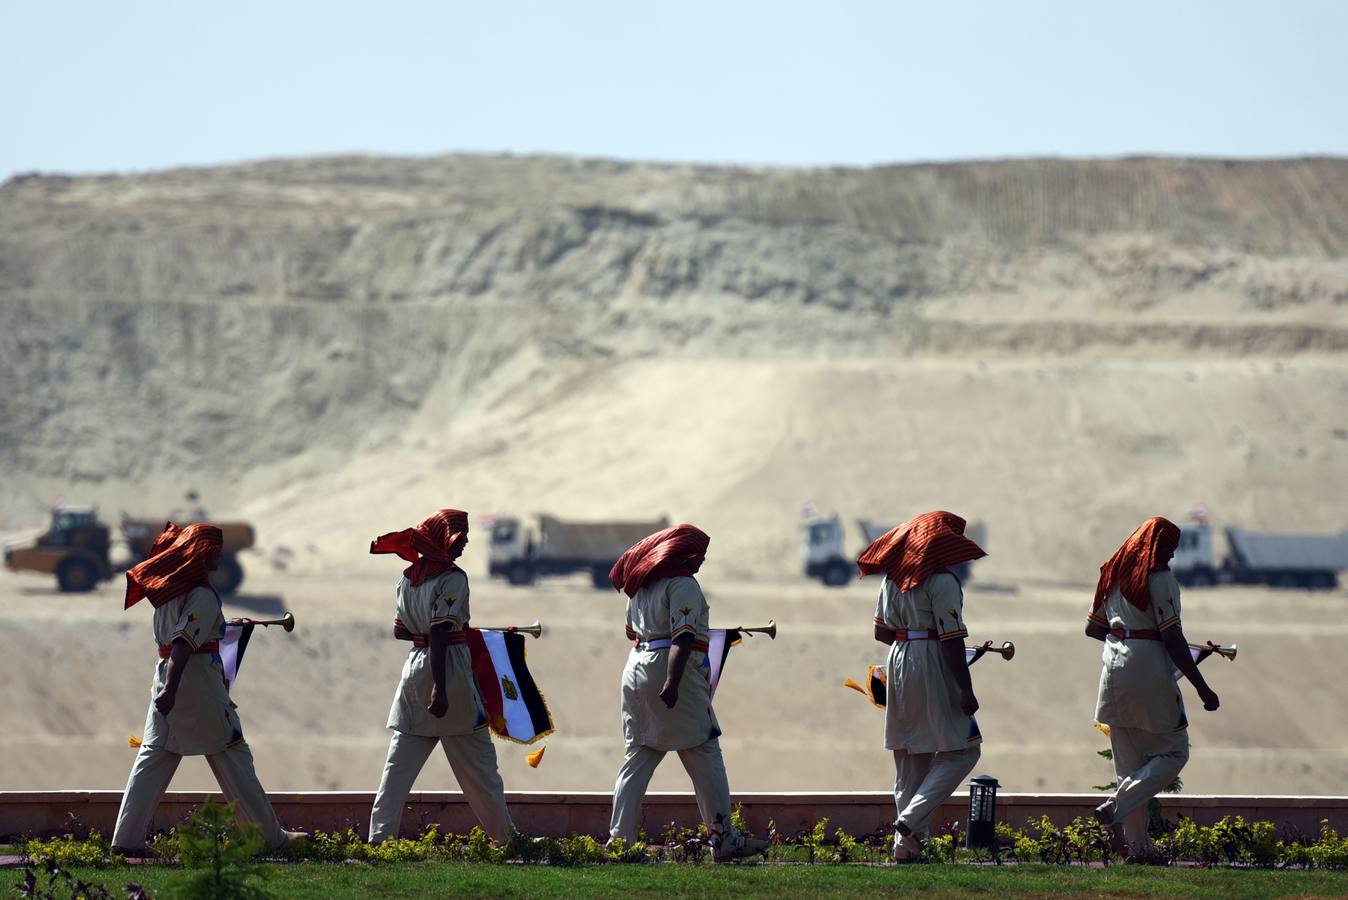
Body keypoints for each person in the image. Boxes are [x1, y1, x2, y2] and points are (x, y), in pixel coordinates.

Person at [112, 523, 304, 853]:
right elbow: (184, 644)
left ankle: (126, 840)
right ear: (204, 554)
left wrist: (223, 628)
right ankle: (268, 839)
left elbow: (185, 634)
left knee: (154, 757)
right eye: (215, 550)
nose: (219, 556)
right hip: (196, 684)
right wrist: (172, 690)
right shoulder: (202, 595)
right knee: (232, 753)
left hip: (168, 678)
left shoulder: (167, 594)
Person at [607, 524, 767, 861]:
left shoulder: (641, 586)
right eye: (698, 556)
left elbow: (631, 633)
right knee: (705, 750)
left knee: (638, 757)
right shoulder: (682, 585)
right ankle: (723, 837)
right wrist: (672, 681)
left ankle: (620, 841)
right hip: (669, 671)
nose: (700, 563)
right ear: (681, 555)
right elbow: (681, 637)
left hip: (636, 667)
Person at [367, 509, 513, 844]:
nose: (463, 546)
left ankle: (378, 840)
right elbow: (439, 632)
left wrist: (445, 632)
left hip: (415, 668)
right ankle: (505, 840)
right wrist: (442, 688)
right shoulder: (453, 579)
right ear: (443, 540)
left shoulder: (406, 579)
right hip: (449, 671)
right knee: (480, 767)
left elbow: (401, 631)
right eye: (459, 539)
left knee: (397, 768)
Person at [1086, 516, 1220, 860]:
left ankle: (1138, 849)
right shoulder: (1158, 579)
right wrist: (1203, 688)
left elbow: (1092, 628)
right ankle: (1117, 803)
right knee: (1176, 751)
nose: (1171, 556)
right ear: (1153, 546)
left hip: (1112, 668)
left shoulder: (1112, 574)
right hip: (1148, 670)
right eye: (1168, 548)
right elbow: (1172, 638)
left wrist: (1124, 635)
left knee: (1129, 765)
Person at [859, 511, 987, 863]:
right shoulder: (942, 581)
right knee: (964, 751)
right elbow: (950, 639)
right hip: (933, 661)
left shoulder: (891, 580)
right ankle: (910, 820)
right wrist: (965, 688)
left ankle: (906, 848)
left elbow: (881, 632)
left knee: (910, 757)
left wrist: (912, 641)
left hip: (899, 658)